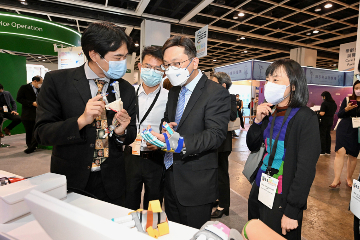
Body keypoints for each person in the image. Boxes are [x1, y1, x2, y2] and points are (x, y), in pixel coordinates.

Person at [34, 22, 137, 206]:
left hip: (112, 181)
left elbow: (131, 134)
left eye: (125, 57)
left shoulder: (126, 89)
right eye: (118, 57)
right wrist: (81, 121)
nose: (123, 62)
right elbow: (42, 133)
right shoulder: (57, 82)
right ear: (94, 54)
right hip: (71, 179)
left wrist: (121, 132)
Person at [144, 36, 230, 229]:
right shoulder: (175, 91)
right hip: (171, 175)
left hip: (195, 184)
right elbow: (168, 122)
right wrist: (163, 134)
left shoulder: (215, 93)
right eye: (167, 65)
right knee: (175, 231)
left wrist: (178, 143)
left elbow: (215, 135)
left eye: (177, 63)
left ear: (194, 61)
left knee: (193, 233)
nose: (171, 69)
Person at [247, 59, 320, 239]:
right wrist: (257, 121)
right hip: (260, 186)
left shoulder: (305, 117)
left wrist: (293, 210)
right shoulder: (269, 112)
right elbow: (252, 145)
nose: (269, 84)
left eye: (276, 79)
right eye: (268, 79)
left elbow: (306, 168)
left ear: (293, 86)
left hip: (282, 195)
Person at [124, 46, 168, 210]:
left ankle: (152, 232)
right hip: (131, 156)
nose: (152, 71)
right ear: (140, 66)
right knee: (128, 199)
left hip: (156, 158)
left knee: (154, 202)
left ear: (163, 71)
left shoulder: (169, 98)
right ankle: (128, 232)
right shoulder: (129, 93)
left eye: (158, 68)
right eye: (148, 66)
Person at [210, 72, 237, 218]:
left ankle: (224, 205)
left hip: (223, 143)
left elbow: (233, 115)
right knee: (213, 173)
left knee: (222, 175)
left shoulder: (229, 97)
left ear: (223, 85)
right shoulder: (211, 96)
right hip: (211, 142)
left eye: (214, 82)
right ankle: (216, 198)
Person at [330, 80, 360, 188]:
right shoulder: (347, 99)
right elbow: (340, 115)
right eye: (356, 88)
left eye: (359, 88)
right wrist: (346, 109)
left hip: (357, 130)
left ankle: (349, 178)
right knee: (340, 152)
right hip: (344, 127)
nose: (358, 90)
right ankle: (336, 179)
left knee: (353, 155)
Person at [17, 76, 43, 153]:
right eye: (40, 83)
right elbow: (19, 99)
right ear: (35, 81)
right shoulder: (24, 88)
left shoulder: (40, 89)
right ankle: (30, 146)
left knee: (36, 129)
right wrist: (31, 103)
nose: (41, 84)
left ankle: (33, 146)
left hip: (38, 113)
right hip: (27, 114)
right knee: (29, 130)